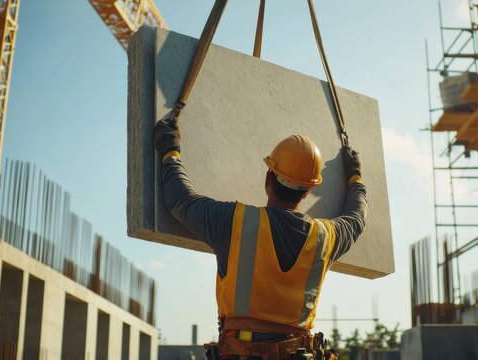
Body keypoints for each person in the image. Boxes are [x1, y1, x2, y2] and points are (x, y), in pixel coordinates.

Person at [154, 118, 367, 359]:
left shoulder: (235, 222)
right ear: (307, 191)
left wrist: (169, 148)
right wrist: (354, 175)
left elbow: (180, 199)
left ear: (268, 180)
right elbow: (357, 217)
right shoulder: (326, 237)